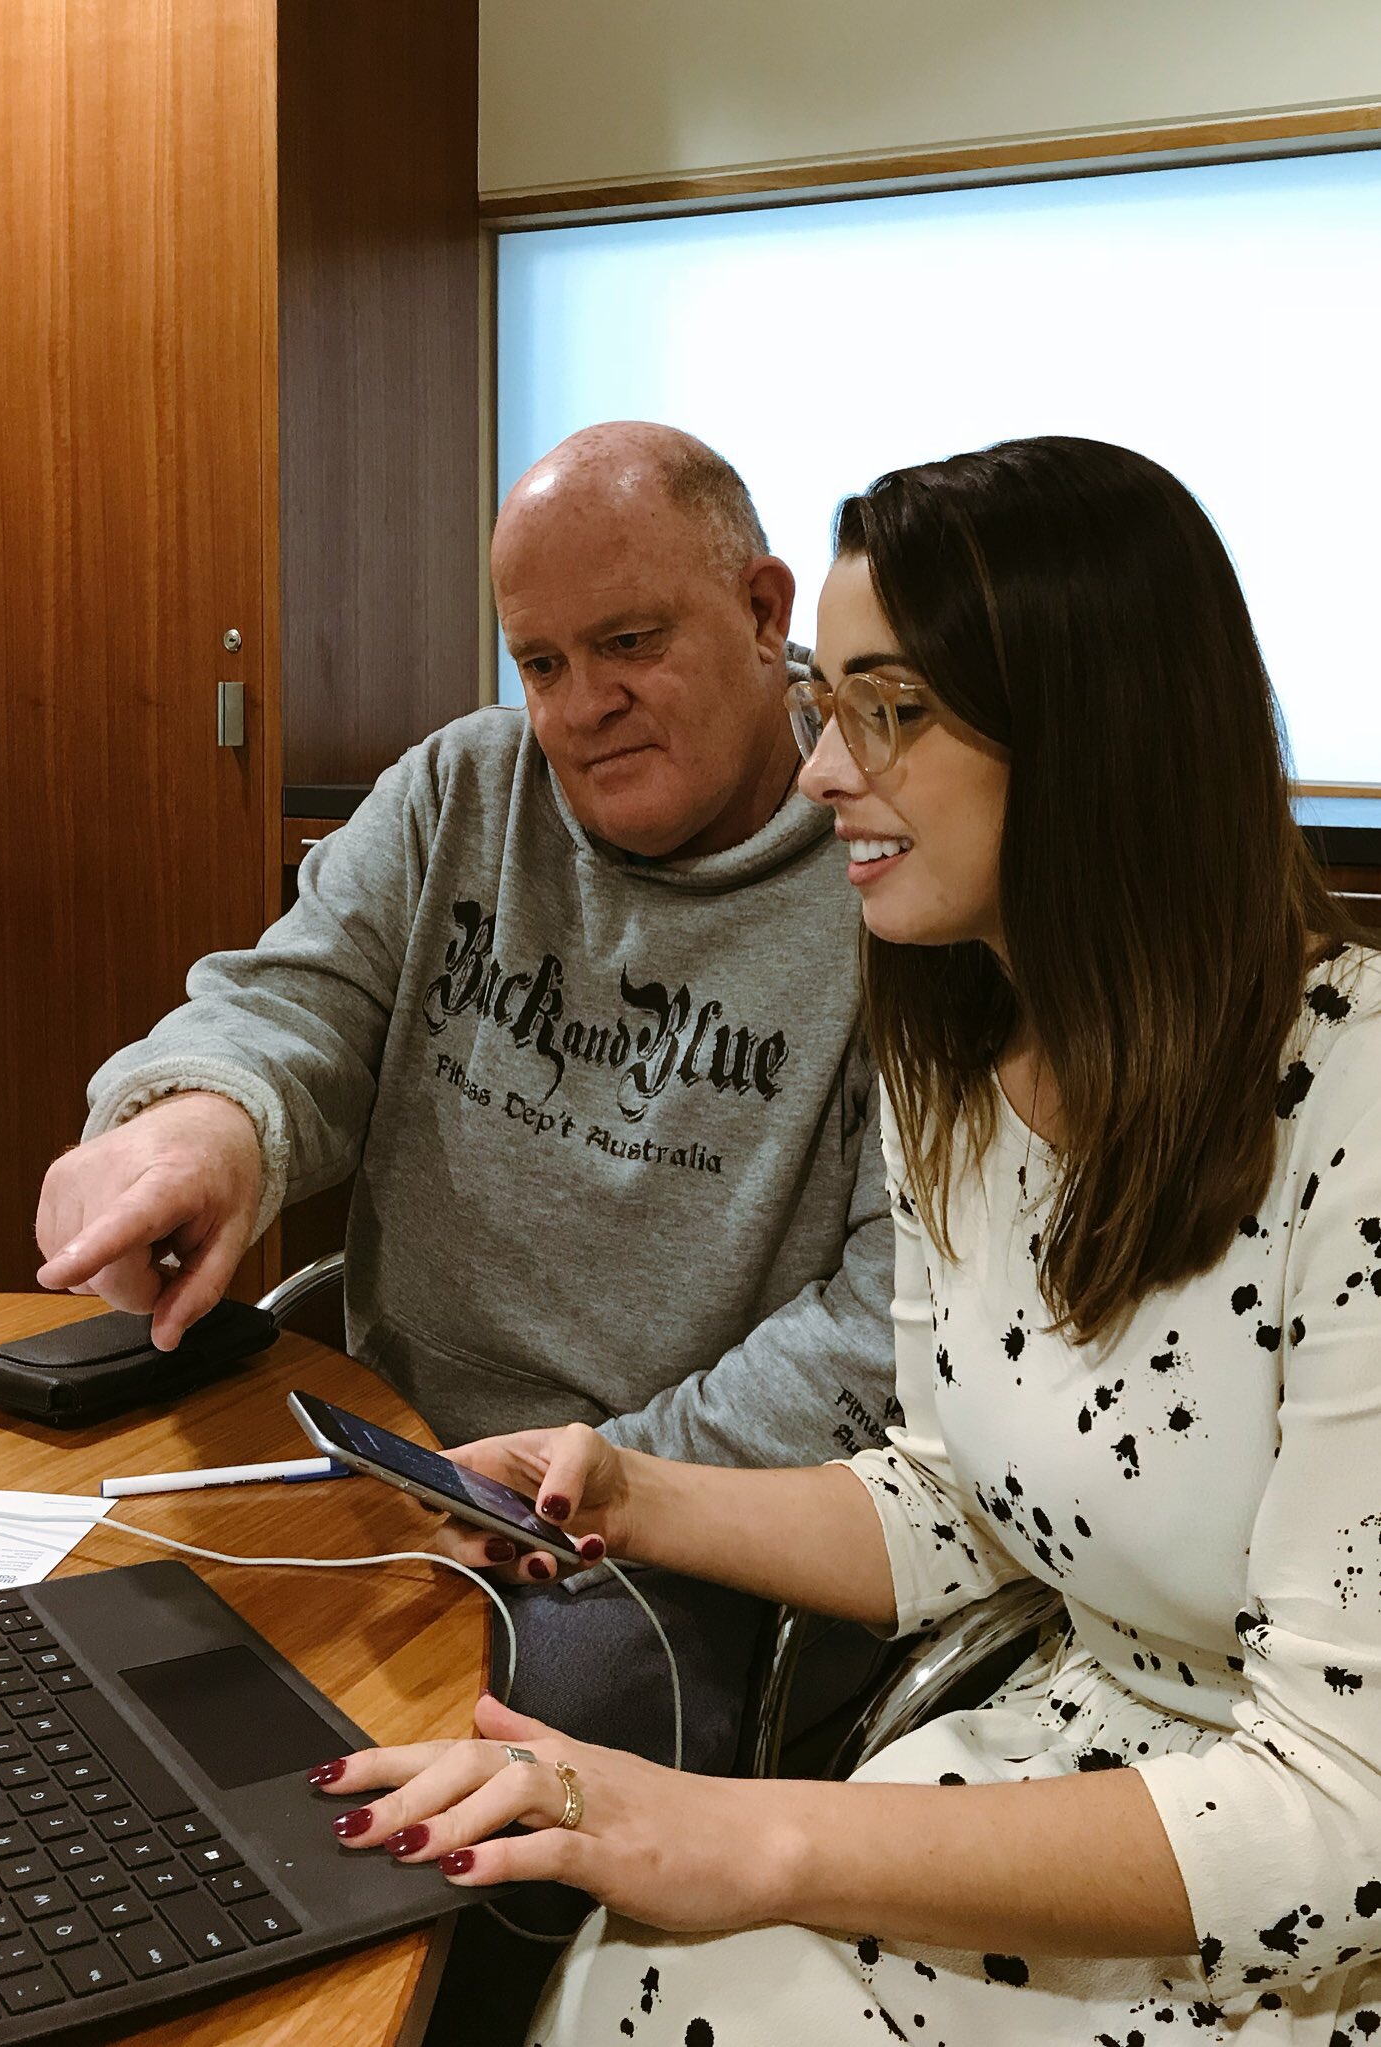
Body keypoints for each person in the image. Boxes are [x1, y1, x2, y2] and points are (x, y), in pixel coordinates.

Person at [312, 436, 1381, 2045]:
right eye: (834, 704)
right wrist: (628, 1487)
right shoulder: (964, 1056)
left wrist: (746, 1836)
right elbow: (967, 1493)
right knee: (619, 1988)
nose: (822, 773)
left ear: (1096, 737)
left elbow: (1338, 1814)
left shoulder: (1349, 1114)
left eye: (889, 715)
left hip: (1268, 1877)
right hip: (1060, 1756)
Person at [34, 421, 896, 1776]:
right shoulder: (465, 787)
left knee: (391, 1758)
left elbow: (882, 1327)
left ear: (763, 606)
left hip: (683, 1531)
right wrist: (204, 1120)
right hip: (389, 1456)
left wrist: (599, 1480)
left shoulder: (888, 861)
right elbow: (288, 1003)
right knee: (93, 1655)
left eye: (629, 645)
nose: (578, 707)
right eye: (541, 663)